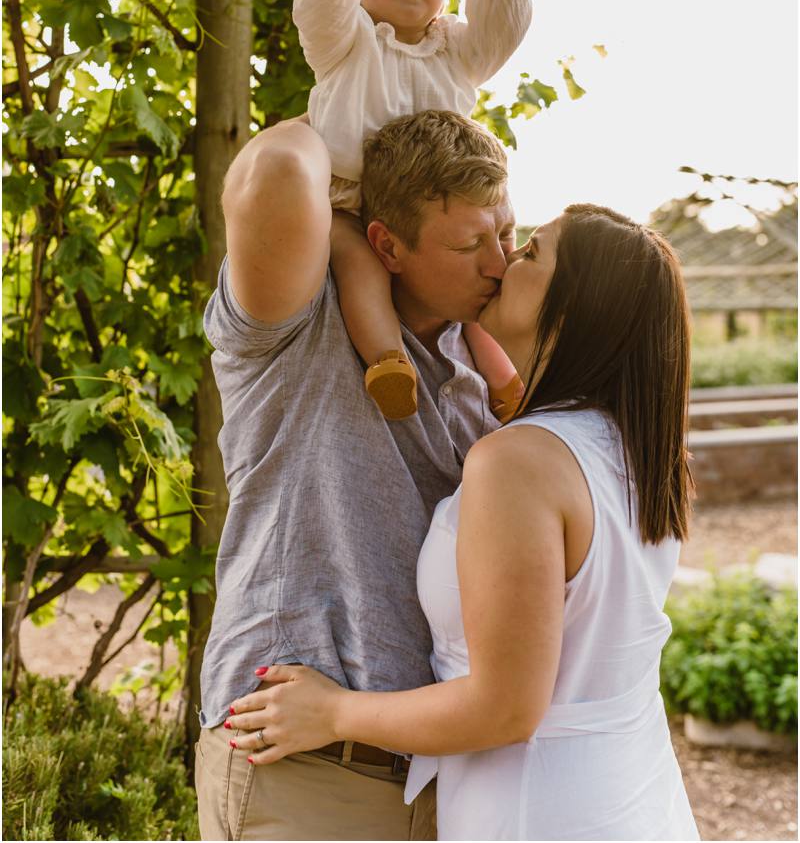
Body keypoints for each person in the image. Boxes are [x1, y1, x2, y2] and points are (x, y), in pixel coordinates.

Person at [225, 204, 700, 842]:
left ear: (572, 308)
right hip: (631, 793)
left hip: (536, 811)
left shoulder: (519, 462)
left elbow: (505, 709)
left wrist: (332, 712)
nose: (504, 262)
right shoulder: (639, 452)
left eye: (530, 253)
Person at [194, 109, 519, 841]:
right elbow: (276, 170)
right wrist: (363, 90)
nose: (498, 264)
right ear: (386, 245)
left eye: (505, 233)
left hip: (452, 775)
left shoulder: (483, 362)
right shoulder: (299, 324)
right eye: (468, 243)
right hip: (305, 770)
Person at [294, 0, 533, 421]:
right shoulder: (346, 40)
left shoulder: (455, 47)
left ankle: (507, 380)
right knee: (360, 267)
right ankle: (388, 361)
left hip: (442, 202)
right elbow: (319, 7)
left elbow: (500, 35)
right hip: (353, 198)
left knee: (479, 280)